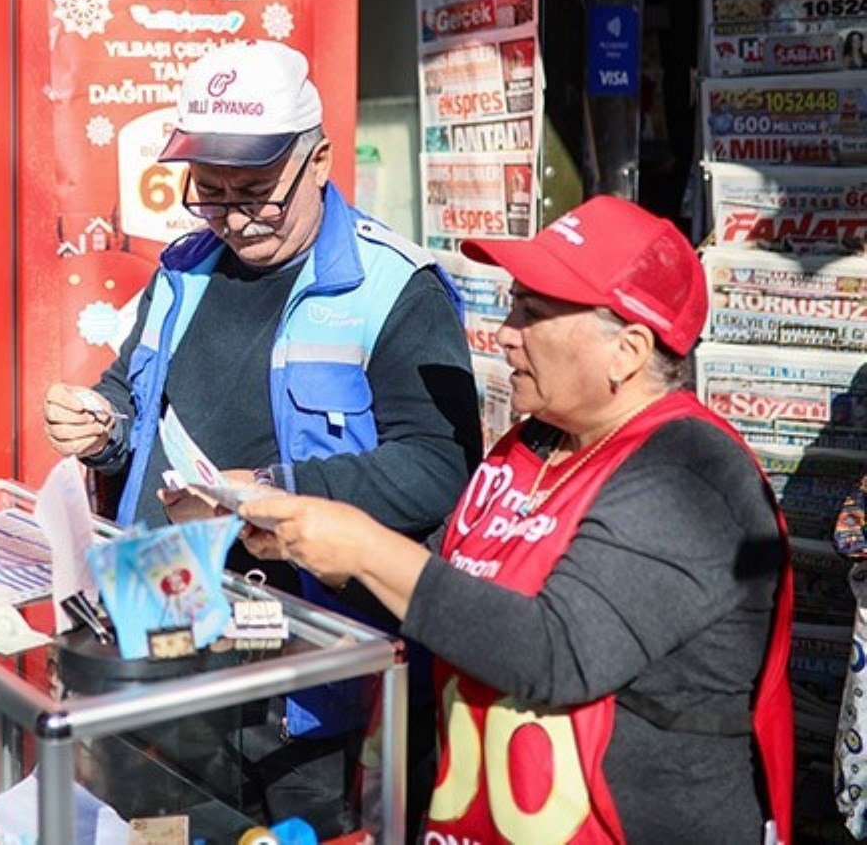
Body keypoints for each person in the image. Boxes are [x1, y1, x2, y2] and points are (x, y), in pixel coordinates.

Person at [242, 195, 795, 843]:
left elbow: (555, 652)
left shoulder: (692, 471)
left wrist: (367, 549)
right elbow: (454, 599)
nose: (504, 332)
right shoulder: (532, 442)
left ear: (628, 351)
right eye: (511, 305)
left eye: (531, 312)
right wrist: (317, 547)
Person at [43, 39, 480, 834]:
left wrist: (277, 493)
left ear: (319, 161)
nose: (234, 219)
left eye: (257, 193)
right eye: (209, 194)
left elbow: (440, 467)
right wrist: (100, 425)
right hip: (175, 640)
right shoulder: (184, 268)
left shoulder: (395, 290)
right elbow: (136, 398)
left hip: (315, 674)